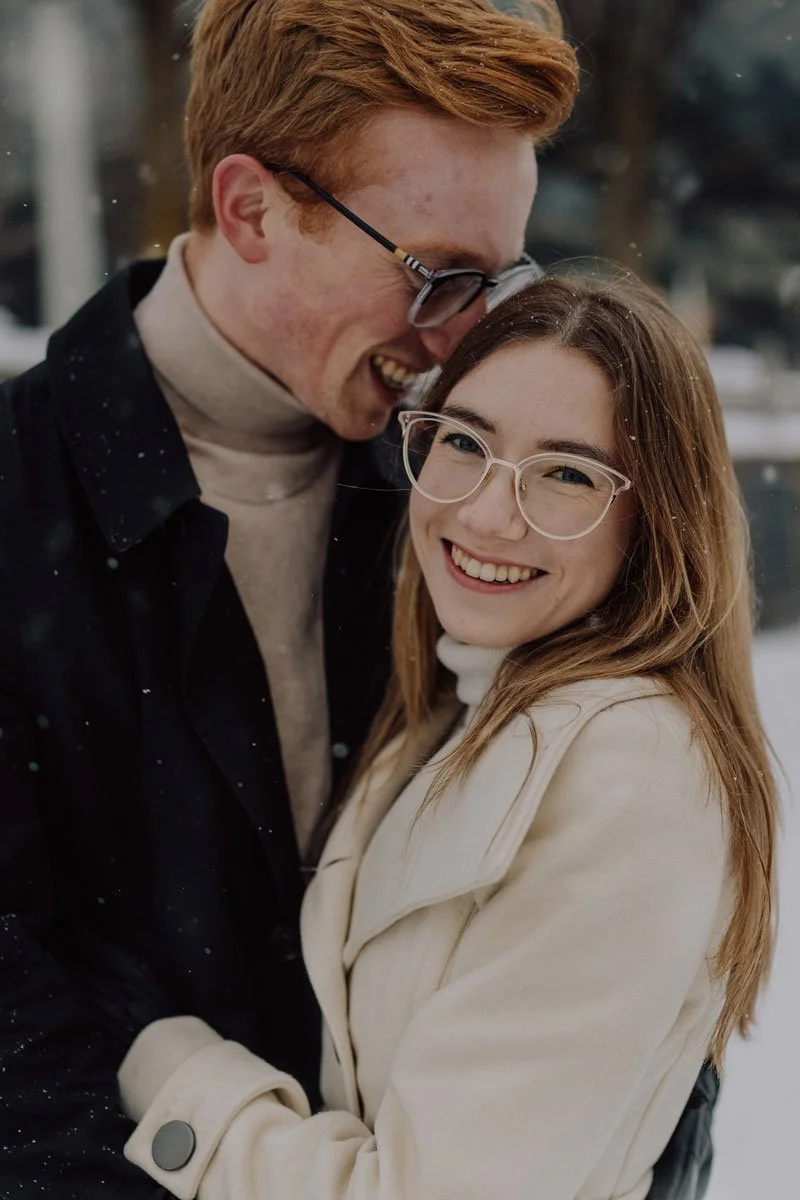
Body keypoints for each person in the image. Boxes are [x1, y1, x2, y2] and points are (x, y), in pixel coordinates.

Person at [0, 2, 581, 1198]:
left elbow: (594, 929)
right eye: (438, 276)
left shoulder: (484, 499)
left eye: (501, 275)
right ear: (251, 207)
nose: (470, 334)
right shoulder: (14, 501)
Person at [113, 271, 778, 1200]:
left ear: (655, 520)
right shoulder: (452, 708)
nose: (485, 514)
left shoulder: (631, 770)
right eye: (464, 442)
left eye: (568, 474)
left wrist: (164, 1063)